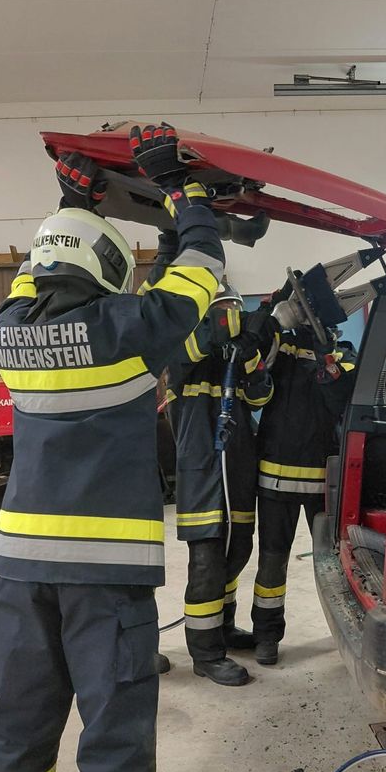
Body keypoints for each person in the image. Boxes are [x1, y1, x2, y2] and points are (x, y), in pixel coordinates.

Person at [0, 122, 224, 772]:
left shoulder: (10, 331)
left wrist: (73, 201)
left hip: (19, 581)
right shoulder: (129, 329)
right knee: (113, 748)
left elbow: (41, 276)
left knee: (18, 738)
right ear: (110, 270)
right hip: (103, 582)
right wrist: (188, 194)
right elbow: (198, 276)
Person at [164, 282, 276, 686]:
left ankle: (223, 628)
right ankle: (206, 652)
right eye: (224, 312)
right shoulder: (182, 352)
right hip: (203, 471)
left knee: (238, 551)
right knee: (208, 562)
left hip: (239, 468)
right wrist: (220, 331)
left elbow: (261, 397)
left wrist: (249, 356)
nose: (231, 319)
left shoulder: (237, 356)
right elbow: (183, 358)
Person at [252, 312, 357, 666]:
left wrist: (325, 357)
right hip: (275, 478)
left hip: (322, 481)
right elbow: (255, 362)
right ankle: (266, 635)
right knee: (271, 563)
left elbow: (343, 401)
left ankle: (346, 632)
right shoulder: (281, 346)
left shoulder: (343, 353)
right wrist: (275, 316)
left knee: (333, 565)